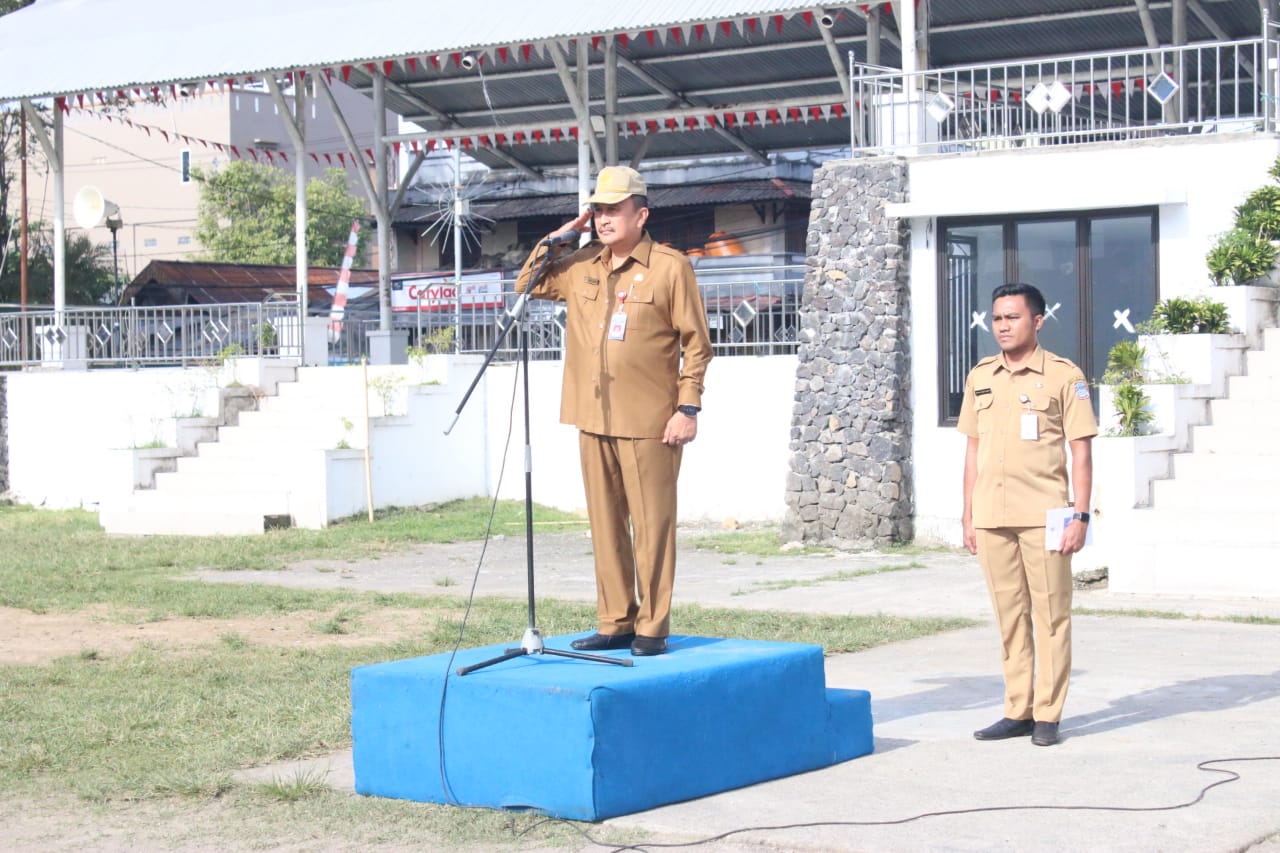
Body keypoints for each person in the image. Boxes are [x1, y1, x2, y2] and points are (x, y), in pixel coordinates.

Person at [514, 166, 713, 657]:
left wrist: (687, 406)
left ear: (640, 214)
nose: (603, 218)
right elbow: (526, 283)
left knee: (651, 528)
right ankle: (615, 619)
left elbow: (697, 345)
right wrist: (562, 235)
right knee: (605, 526)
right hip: (593, 416)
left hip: (651, 421)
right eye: (597, 209)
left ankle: (651, 626)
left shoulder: (670, 268)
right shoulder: (580, 265)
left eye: (613, 209)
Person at [957, 282, 1097, 747]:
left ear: (1037, 321)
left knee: (1051, 615)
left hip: (1046, 516)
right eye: (997, 318)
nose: (1003, 326)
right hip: (992, 516)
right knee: (1009, 616)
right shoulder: (981, 376)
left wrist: (1081, 516)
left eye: (1013, 317)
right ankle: (1017, 708)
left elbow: (1080, 454)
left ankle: (1048, 715)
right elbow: (972, 452)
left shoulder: (1063, 376)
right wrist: (967, 514)